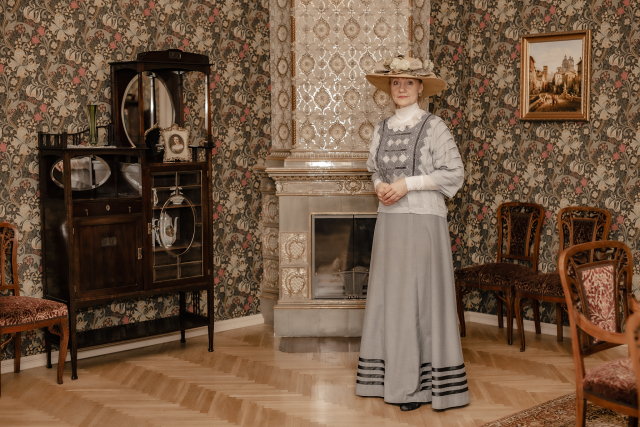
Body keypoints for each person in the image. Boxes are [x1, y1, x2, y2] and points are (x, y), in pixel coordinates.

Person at [355, 55, 469, 412]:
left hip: (423, 222)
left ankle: (418, 387)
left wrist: (408, 184)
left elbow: (454, 174)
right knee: (393, 299)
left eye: (408, 82)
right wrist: (379, 186)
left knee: (418, 301)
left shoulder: (435, 127)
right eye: (395, 82)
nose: (401, 88)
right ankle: (391, 379)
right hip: (390, 221)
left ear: (421, 88)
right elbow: (374, 169)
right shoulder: (382, 128)